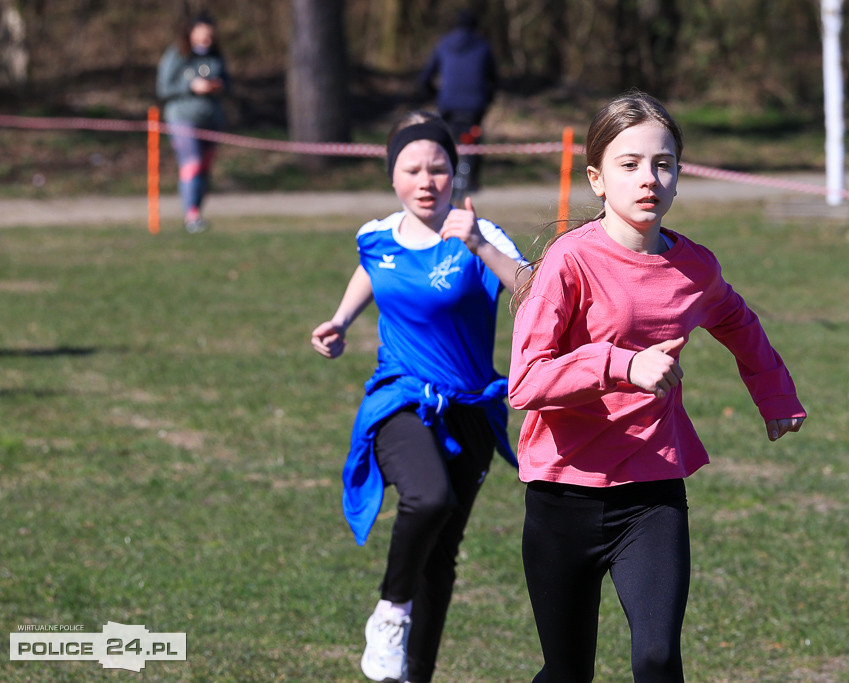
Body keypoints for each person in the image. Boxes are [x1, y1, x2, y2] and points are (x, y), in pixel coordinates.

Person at [508, 91, 806, 682]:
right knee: (567, 672)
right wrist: (619, 365)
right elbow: (525, 381)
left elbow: (739, 323)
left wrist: (775, 395)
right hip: (563, 492)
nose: (649, 178)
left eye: (663, 164)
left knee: (657, 659)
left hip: (652, 492)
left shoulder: (695, 267)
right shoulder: (569, 262)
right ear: (596, 179)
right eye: (630, 164)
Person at [310, 111, 527, 683]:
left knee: (441, 554)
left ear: (456, 172)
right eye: (412, 170)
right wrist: (340, 320)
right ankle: (390, 612)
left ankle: (416, 675)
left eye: (438, 168)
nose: (426, 181)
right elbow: (373, 269)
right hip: (400, 396)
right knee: (428, 499)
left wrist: (478, 244)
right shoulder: (376, 235)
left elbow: (536, 291)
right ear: (392, 176)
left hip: (470, 409)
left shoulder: (481, 234)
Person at [156, 11, 230, 234]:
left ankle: (196, 213)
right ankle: (191, 215)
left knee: (204, 168)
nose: (207, 39)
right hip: (183, 118)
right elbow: (164, 88)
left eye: (210, 35)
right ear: (190, 33)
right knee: (192, 163)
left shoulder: (214, 56)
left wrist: (217, 86)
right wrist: (190, 87)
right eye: (203, 34)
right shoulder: (177, 55)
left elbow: (228, 83)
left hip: (211, 119)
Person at [418, 10, 497, 198]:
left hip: (448, 105)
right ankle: (472, 180)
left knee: (447, 142)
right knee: (473, 141)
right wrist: (487, 100)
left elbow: (425, 78)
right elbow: (494, 80)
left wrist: (437, 96)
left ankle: (442, 177)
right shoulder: (483, 46)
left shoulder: (444, 44)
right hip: (474, 107)